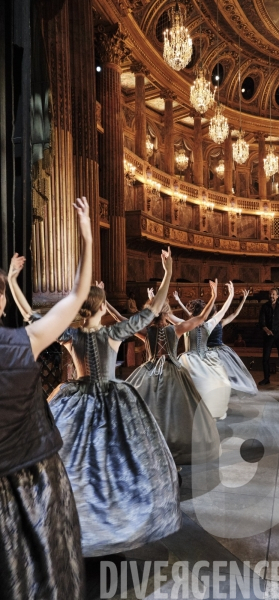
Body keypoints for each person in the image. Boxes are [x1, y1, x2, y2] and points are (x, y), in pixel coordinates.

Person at [11, 248, 182, 557]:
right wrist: (168, 273)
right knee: (117, 460)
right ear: (101, 307)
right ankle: (113, 520)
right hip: (112, 400)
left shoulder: (69, 334)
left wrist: (12, 282)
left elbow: (31, 317)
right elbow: (153, 309)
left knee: (75, 462)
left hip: (76, 399)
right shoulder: (113, 333)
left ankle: (74, 520)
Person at [0, 197, 92, 599]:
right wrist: (87, 239)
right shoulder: (26, 341)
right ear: (0, 301)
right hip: (35, 481)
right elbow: (75, 296)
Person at [126, 281, 220, 465]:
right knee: (176, 412)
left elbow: (123, 322)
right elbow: (200, 319)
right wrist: (214, 297)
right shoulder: (175, 329)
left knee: (149, 407)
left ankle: (149, 447)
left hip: (149, 372)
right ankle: (172, 447)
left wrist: (108, 308)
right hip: (173, 371)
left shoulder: (147, 332)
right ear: (168, 313)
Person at [175, 289, 257, 397]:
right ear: (212, 313)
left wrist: (179, 302)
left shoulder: (213, 323)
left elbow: (191, 316)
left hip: (212, 351)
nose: (217, 313)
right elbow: (192, 316)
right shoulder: (208, 324)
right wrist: (232, 296)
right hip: (208, 352)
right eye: (216, 311)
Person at [179, 283, 235, 419]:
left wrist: (231, 295)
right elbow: (169, 316)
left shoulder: (199, 325)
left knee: (206, 384)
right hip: (195, 359)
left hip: (197, 358)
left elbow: (168, 315)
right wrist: (229, 296)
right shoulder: (194, 324)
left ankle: (201, 411)